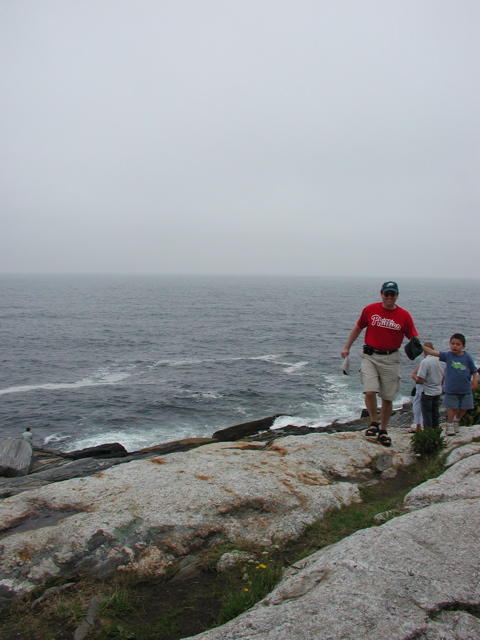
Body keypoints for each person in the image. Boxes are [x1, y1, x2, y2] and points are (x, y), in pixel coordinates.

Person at [341, 281, 419, 447]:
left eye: (393, 294)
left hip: (391, 359)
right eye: (387, 294)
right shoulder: (370, 309)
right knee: (369, 391)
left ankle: (383, 430)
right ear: (381, 294)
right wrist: (347, 347)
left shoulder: (404, 315)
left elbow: (413, 336)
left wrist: (424, 349)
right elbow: (357, 328)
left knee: (387, 396)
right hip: (370, 356)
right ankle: (373, 422)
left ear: (397, 295)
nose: (389, 297)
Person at [423, 333, 477, 436]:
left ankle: (456, 420)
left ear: (463, 346)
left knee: (464, 408)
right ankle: (450, 425)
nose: (454, 346)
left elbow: (474, 370)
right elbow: (432, 352)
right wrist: (419, 345)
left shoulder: (467, 357)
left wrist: (475, 380)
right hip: (451, 389)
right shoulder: (448, 355)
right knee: (453, 408)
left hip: (465, 388)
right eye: (452, 343)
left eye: (458, 344)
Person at [415, 341, 445, 430]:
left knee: (427, 414)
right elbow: (443, 376)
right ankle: (436, 430)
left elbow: (421, 379)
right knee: (435, 412)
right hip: (438, 390)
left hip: (427, 391)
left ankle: (428, 432)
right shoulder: (441, 360)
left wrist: (416, 379)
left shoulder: (425, 362)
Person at [409, 363, 424, 432]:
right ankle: (422, 425)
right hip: (434, 388)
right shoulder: (439, 362)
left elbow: (413, 374)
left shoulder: (423, 363)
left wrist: (417, 380)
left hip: (421, 387)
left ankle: (418, 425)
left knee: (418, 405)